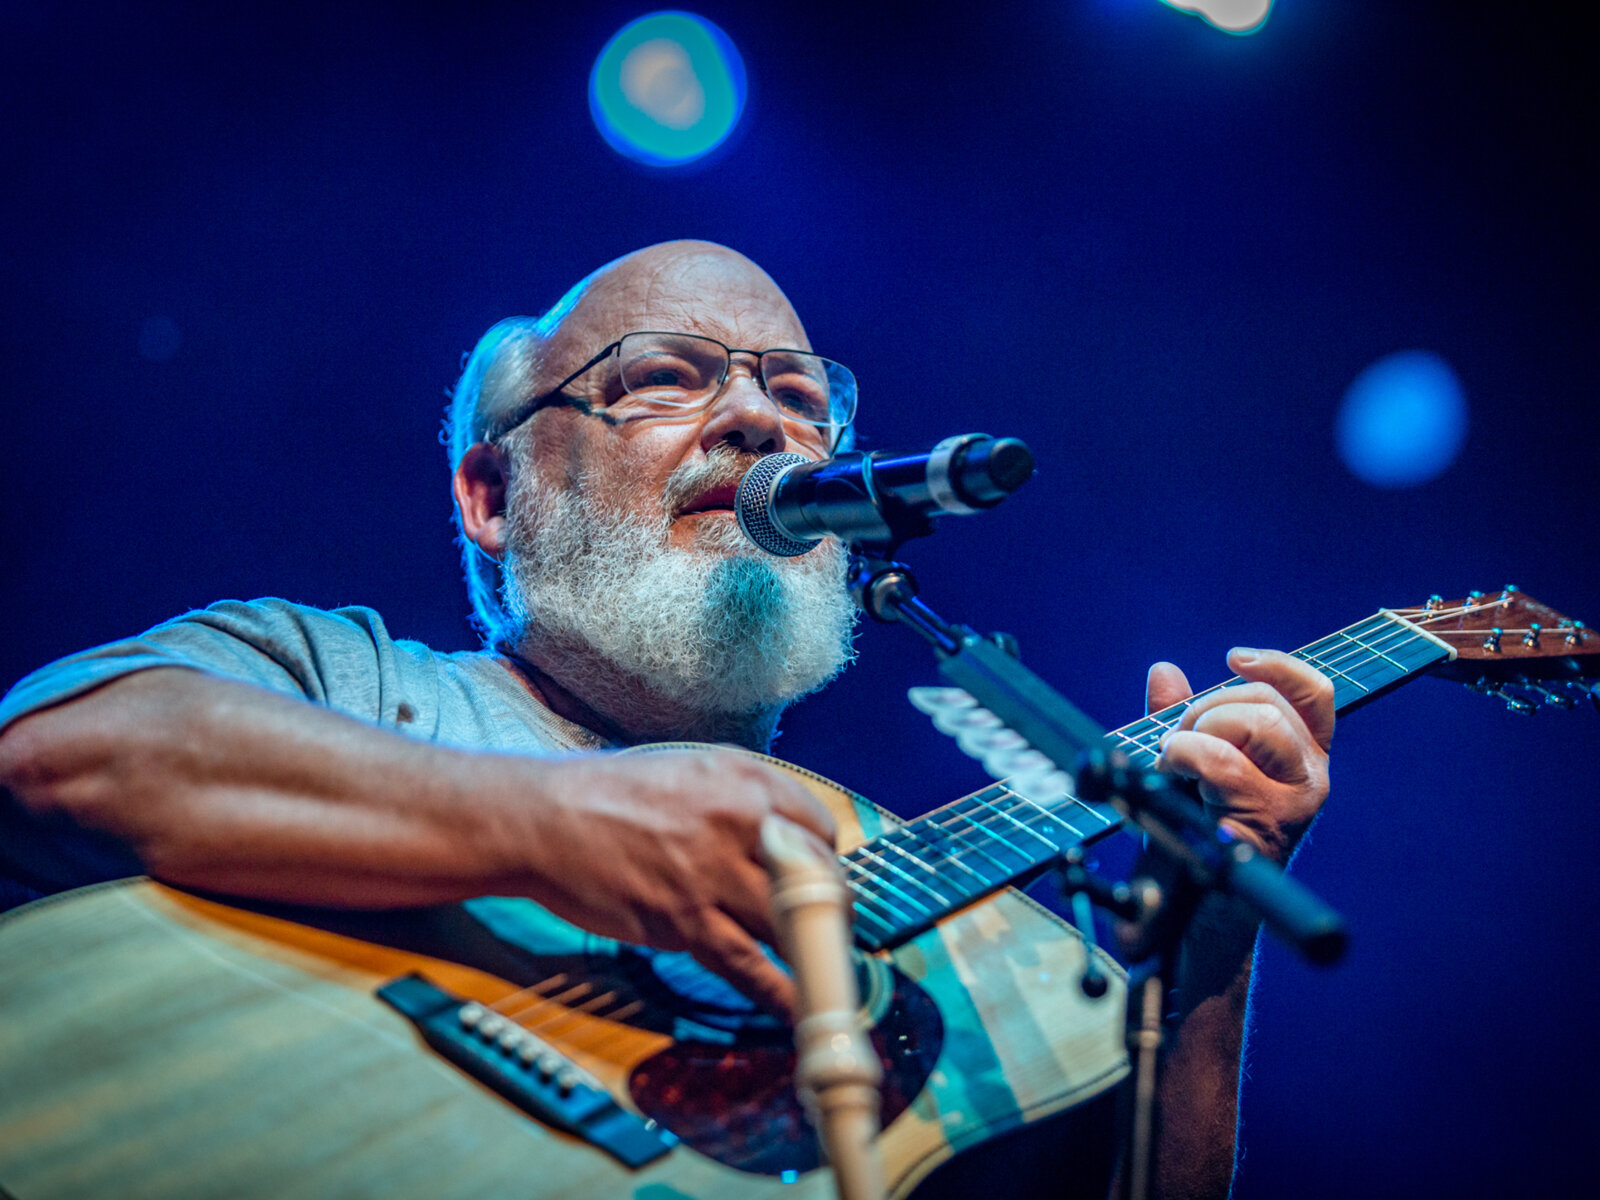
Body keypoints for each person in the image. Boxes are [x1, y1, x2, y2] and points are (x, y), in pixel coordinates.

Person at [0, 240, 1334, 1198]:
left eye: (799, 397)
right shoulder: (337, 673)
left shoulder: (940, 906)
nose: (757, 416)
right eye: (666, 378)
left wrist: (1210, 936)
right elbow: (55, 755)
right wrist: (551, 823)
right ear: (492, 495)